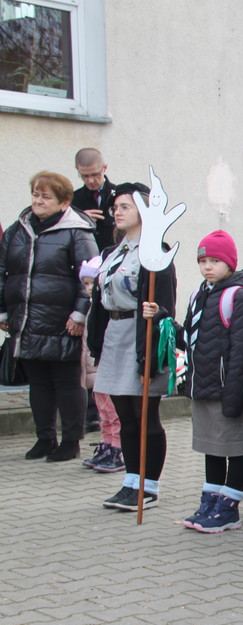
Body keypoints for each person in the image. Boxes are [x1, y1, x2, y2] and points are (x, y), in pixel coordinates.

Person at [87, 182, 178, 511]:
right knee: (124, 414)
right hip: (115, 332)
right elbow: (99, 300)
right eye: (116, 207)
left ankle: (148, 486)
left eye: (125, 206)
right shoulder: (113, 252)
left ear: (143, 211)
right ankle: (130, 481)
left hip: (142, 335)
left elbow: (163, 305)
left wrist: (151, 351)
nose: (117, 212)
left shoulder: (155, 251)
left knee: (145, 414)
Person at [0, 170, 97, 462]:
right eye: (36, 194)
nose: (38, 201)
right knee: (39, 382)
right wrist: (3, 309)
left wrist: (80, 315)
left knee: (67, 382)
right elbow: (3, 272)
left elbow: (89, 275)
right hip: (27, 318)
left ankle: (71, 441)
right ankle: (44, 438)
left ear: (64, 202)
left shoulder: (77, 232)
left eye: (46, 196)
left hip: (63, 320)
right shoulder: (18, 230)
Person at [179, 231, 243, 533]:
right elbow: (189, 337)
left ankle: (230, 507)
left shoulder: (238, 296)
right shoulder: (199, 294)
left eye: (214, 260)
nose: (208, 267)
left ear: (229, 263)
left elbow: (242, 350)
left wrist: (235, 395)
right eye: (203, 261)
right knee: (210, 448)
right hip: (203, 387)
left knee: (235, 448)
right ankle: (211, 498)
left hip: (229, 391)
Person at [78, 256, 124, 474]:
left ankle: (119, 449)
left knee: (114, 412)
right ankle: (107, 444)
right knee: (102, 412)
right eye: (85, 284)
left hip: (105, 368)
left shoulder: (107, 308)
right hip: (94, 369)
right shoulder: (91, 307)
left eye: (91, 283)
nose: (88, 288)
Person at [72, 148, 118, 251]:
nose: (90, 180)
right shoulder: (72, 199)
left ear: (105, 168)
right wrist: (79, 219)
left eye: (95, 174)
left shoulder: (120, 196)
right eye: (84, 175)